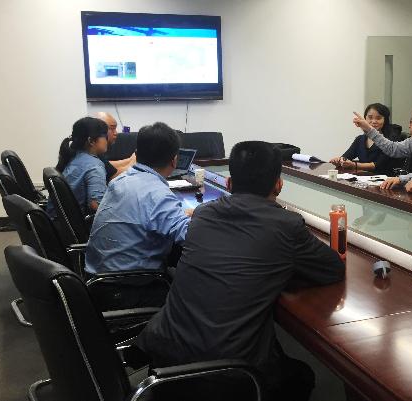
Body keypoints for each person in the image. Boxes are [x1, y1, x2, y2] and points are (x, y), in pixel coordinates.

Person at [137, 141, 346, 401]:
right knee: (301, 376)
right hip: (226, 378)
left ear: (228, 183)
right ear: (279, 185)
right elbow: (333, 268)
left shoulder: (203, 215)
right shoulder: (286, 225)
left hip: (165, 358)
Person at [85, 122, 193, 276]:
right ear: (174, 161)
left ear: (136, 154)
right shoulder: (158, 195)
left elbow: (144, 211)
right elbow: (191, 237)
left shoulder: (119, 181)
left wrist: (180, 214)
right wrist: (206, 217)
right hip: (131, 283)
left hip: (97, 276)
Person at [52, 117, 109, 214]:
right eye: (105, 136)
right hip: (79, 222)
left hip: (58, 220)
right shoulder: (94, 166)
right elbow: (96, 205)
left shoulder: (73, 157)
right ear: (91, 141)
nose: (107, 140)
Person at [329, 103, 402, 174]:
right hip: (363, 178)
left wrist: (354, 165)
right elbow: (346, 157)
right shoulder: (360, 139)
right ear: (365, 118)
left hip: (386, 179)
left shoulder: (390, 140)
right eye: (370, 117)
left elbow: (378, 165)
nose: (374, 121)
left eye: (378, 118)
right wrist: (339, 161)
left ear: (385, 120)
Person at [95, 111, 136, 180]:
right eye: (112, 128)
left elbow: (107, 165)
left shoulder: (93, 151)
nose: (116, 133)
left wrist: (130, 160)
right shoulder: (90, 154)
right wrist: (134, 163)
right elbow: (113, 175)